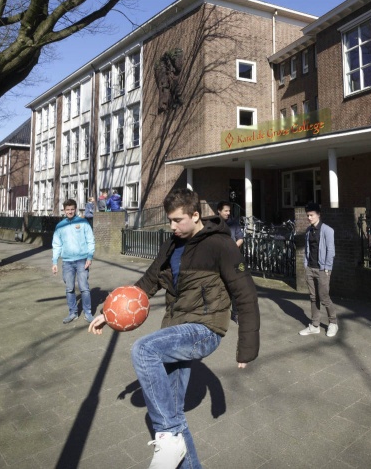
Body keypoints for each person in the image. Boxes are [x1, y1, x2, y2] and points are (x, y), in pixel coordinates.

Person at [88, 189, 260, 469]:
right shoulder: (172, 244)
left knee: (144, 350)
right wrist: (109, 314)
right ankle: (178, 448)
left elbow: (245, 294)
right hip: (176, 329)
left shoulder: (221, 244)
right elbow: (147, 283)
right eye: (169, 220)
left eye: (178, 220)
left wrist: (247, 349)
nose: (172, 226)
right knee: (173, 412)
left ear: (195, 215)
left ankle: (167, 436)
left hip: (205, 329)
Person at [52, 199, 96, 324]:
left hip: (82, 260)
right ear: (64, 210)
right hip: (67, 262)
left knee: (84, 288)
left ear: (75, 209)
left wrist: (90, 257)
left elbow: (90, 240)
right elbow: (56, 245)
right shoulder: (60, 226)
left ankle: (88, 313)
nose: (70, 211)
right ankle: (73, 313)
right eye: (68, 209)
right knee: (69, 288)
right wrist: (55, 262)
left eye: (72, 209)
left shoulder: (83, 222)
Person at [299, 202, 338, 337]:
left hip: (322, 270)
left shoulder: (327, 230)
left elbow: (331, 250)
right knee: (313, 297)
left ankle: (333, 323)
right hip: (310, 268)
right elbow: (307, 249)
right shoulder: (308, 231)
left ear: (318, 215)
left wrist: (327, 268)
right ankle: (315, 325)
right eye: (308, 215)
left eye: (311, 215)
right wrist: (305, 264)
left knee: (324, 297)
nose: (309, 218)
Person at [217, 200, 244, 323]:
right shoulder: (215, 224)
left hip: (235, 258)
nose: (228, 213)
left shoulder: (234, 223)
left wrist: (233, 246)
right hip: (220, 260)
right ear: (219, 211)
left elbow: (240, 238)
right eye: (226, 211)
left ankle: (236, 313)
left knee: (237, 286)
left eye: (229, 211)